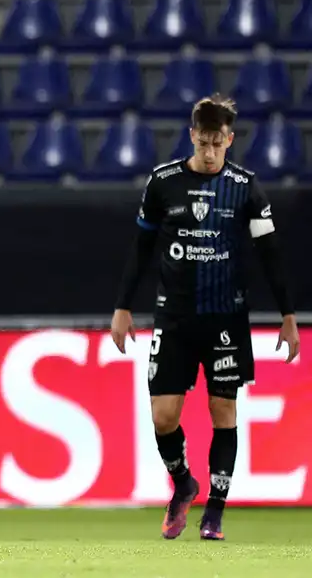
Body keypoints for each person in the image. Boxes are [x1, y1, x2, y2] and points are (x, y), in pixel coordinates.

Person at [110, 94, 300, 541]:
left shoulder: (246, 187)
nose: (211, 152)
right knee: (163, 416)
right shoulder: (163, 183)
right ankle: (183, 483)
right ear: (191, 135)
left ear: (229, 140)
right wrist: (122, 306)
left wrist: (288, 314)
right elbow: (140, 248)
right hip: (173, 316)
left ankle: (214, 511)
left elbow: (269, 254)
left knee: (223, 410)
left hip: (225, 318)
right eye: (204, 142)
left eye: (219, 143)